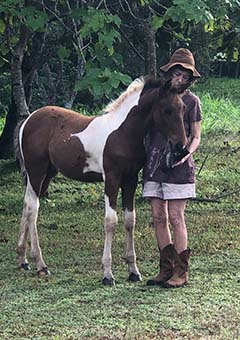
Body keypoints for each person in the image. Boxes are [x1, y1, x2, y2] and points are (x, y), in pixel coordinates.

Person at [142, 48, 202, 288]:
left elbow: (196, 136)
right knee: (158, 217)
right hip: (154, 162)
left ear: (190, 79)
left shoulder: (192, 101)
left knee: (176, 217)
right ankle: (165, 269)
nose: (179, 79)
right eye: (176, 74)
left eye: (184, 76)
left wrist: (186, 153)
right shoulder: (156, 97)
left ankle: (181, 271)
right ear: (169, 74)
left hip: (178, 165)